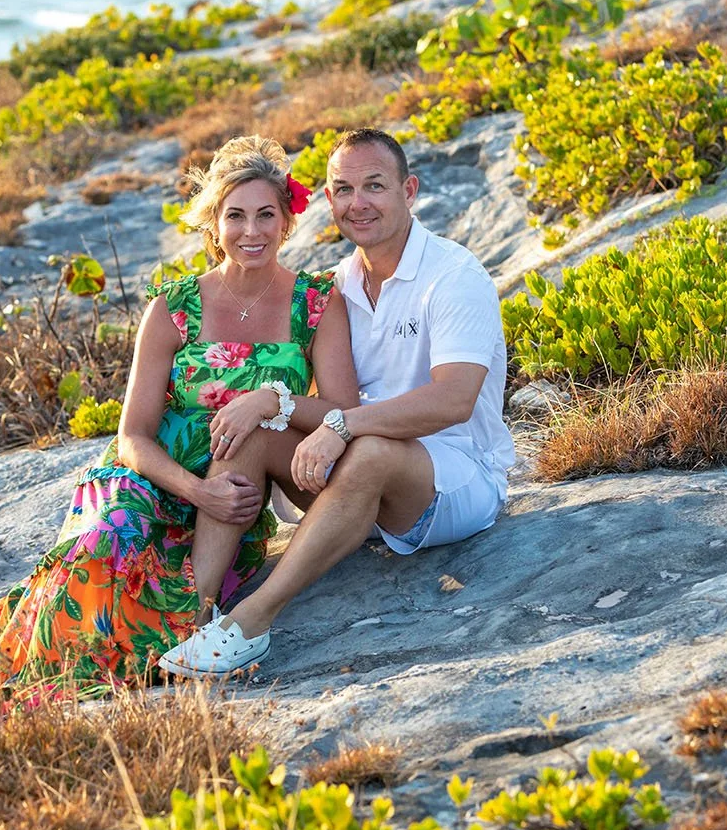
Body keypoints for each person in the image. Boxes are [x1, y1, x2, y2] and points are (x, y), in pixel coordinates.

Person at [0, 136, 358, 727]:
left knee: (164, 597)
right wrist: (193, 488)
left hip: (233, 493)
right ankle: (39, 687)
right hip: (154, 480)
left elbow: (339, 410)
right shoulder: (173, 307)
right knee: (103, 556)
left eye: (265, 215)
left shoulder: (316, 301)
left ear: (287, 219)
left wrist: (266, 401)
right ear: (212, 223)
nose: (251, 231)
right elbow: (133, 436)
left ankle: (191, 631)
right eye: (235, 216)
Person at [158, 127, 514, 677]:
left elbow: (453, 401)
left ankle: (251, 621)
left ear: (409, 189)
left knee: (370, 450)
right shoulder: (339, 285)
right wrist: (269, 399)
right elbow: (330, 409)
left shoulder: (453, 276)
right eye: (344, 189)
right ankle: (195, 616)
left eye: (374, 185)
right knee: (251, 430)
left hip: (454, 477)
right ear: (328, 200)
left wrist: (342, 426)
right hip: (352, 486)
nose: (358, 202)